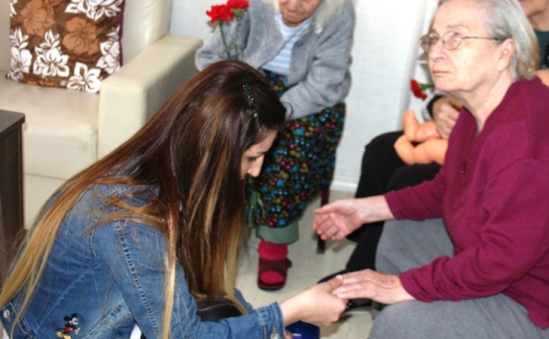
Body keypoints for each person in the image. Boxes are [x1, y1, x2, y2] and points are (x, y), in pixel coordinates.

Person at [313, 0, 549, 339]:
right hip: (520, 266)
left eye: (455, 38)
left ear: (504, 52)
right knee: (402, 232)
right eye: (433, 39)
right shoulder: (477, 111)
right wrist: (369, 209)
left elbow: (501, 259)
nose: (436, 52)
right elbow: (448, 189)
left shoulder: (527, 139)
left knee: (401, 325)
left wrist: (400, 285)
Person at [319, 0, 549, 286]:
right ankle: (366, 247)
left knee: (408, 177)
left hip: (522, 154)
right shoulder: (483, 16)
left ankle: (364, 275)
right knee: (381, 151)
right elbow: (456, 91)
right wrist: (443, 105)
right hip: (473, 130)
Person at [0, 61, 347, 339]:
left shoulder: (159, 164)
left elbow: (200, 291)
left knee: (230, 313)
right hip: (52, 332)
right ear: (215, 154)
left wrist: (262, 324)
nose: (256, 172)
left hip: (77, 317)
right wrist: (289, 312)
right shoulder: (134, 223)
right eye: (252, 157)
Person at [195, 0, 355, 291]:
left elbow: (327, 82)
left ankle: (274, 242)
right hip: (252, 83)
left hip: (308, 98)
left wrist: (274, 113)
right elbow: (213, 57)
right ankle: (216, 223)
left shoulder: (339, 12)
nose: (294, 3)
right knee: (224, 133)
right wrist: (237, 94)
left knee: (284, 148)